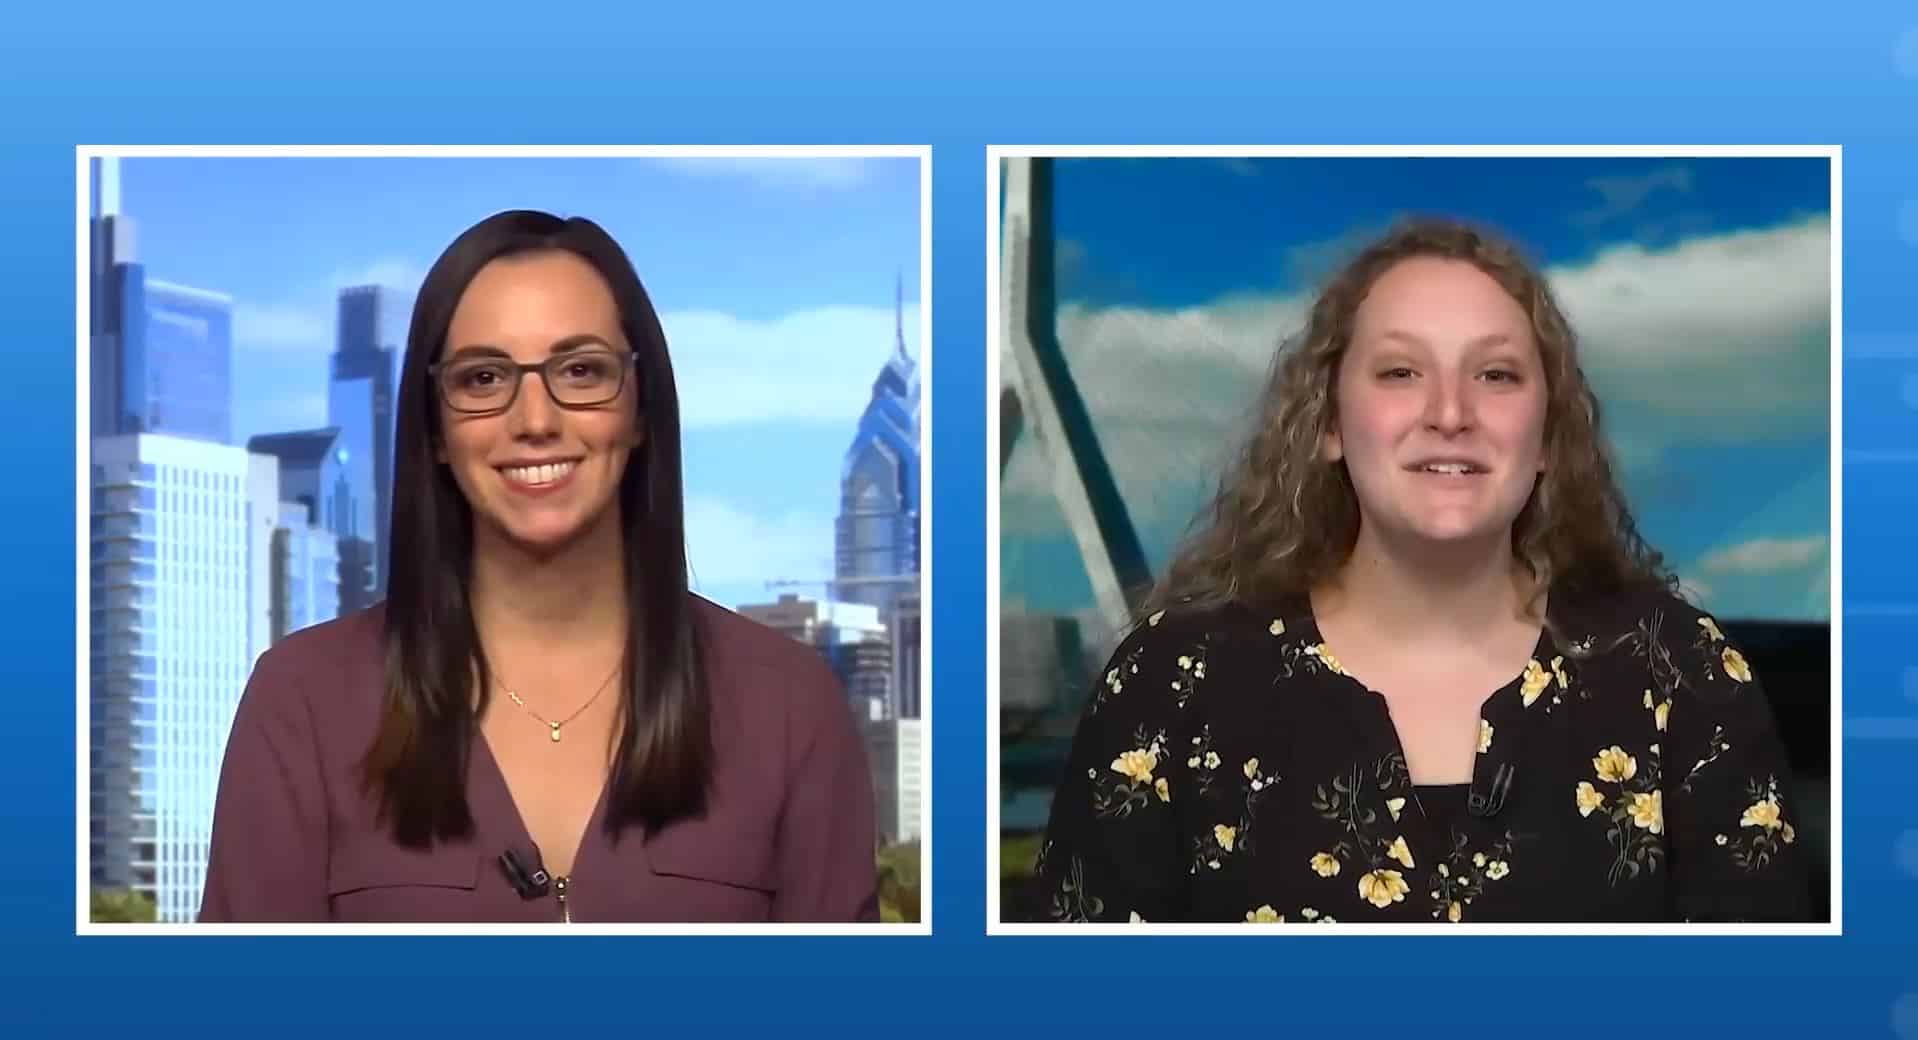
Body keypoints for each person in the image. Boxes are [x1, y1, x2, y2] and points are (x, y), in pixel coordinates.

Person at [1030, 219, 1813, 924]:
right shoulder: (1172, 683)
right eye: (1401, 372)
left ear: (1547, 438)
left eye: (1496, 375)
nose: (1450, 412)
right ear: (1331, 422)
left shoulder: (1681, 676)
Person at [200, 210, 878, 923]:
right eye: (484, 377)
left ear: (640, 408)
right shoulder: (302, 703)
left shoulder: (788, 707)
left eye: (581, 370)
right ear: (434, 428)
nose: (535, 419)